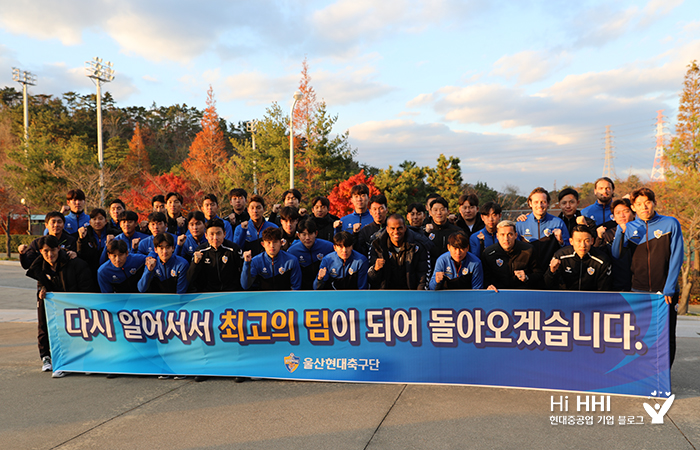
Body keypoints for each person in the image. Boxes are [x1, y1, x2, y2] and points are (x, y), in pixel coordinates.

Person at [612, 187, 683, 366]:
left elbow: (677, 256)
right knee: (641, 335)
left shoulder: (670, 223)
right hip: (639, 291)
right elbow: (616, 254)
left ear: (654, 203)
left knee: (667, 334)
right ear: (633, 208)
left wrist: (669, 287)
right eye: (639, 204)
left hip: (665, 292)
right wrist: (621, 232)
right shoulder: (630, 228)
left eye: (647, 203)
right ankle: (643, 372)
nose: (644, 207)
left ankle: (664, 374)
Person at [25, 235, 95, 377]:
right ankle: (48, 357)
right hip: (54, 304)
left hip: (76, 304)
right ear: (40, 251)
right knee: (44, 323)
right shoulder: (39, 266)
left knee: (80, 329)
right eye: (45, 251)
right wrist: (42, 288)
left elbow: (86, 288)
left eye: (52, 250)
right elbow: (42, 281)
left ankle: (84, 360)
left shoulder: (75, 263)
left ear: (59, 248)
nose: (50, 255)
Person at [368, 214, 429, 290]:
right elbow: (370, 279)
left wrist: (418, 296)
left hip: (410, 294)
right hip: (386, 295)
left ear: (405, 228)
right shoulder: (377, 246)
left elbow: (423, 275)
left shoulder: (418, 246)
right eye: (392, 228)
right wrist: (375, 269)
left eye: (399, 228)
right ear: (387, 229)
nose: (396, 232)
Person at [544, 224, 612, 291]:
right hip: (565, 298)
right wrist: (552, 272)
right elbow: (548, 285)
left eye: (586, 241)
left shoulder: (601, 260)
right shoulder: (561, 256)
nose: (583, 245)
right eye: (578, 241)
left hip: (591, 300)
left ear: (592, 241)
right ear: (571, 241)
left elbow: (604, 290)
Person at [187, 219, 243, 293]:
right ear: (206, 235)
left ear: (224, 234)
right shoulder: (200, 251)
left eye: (218, 233)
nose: (215, 238)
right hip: (208, 294)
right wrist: (195, 263)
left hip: (231, 293)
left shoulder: (234, 249)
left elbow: (243, 273)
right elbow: (189, 279)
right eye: (212, 234)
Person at [483, 220, 542, 290]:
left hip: (522, 293)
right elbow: (485, 277)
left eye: (510, 234)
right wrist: (488, 286)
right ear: (497, 236)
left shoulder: (528, 251)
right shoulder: (488, 253)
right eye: (502, 235)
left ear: (515, 235)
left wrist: (526, 277)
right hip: (498, 294)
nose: (506, 239)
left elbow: (539, 274)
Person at [595, 198, 634, 291]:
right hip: (616, 286)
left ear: (634, 213)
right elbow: (598, 257)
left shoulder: (643, 233)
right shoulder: (607, 235)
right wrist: (599, 239)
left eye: (626, 211)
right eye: (618, 213)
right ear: (613, 217)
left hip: (639, 285)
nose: (622, 215)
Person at [287, 219, 335, 290]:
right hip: (303, 291)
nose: (307, 238)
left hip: (324, 289)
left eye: (310, 234)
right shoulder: (292, 251)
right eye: (304, 234)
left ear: (316, 233)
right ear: (298, 235)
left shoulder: (328, 247)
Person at [77, 208, 118, 280]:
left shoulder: (114, 233)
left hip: (109, 271)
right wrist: (81, 239)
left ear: (106, 221)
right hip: (89, 273)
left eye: (100, 219)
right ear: (90, 222)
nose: (97, 221)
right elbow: (80, 254)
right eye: (94, 219)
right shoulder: (85, 234)